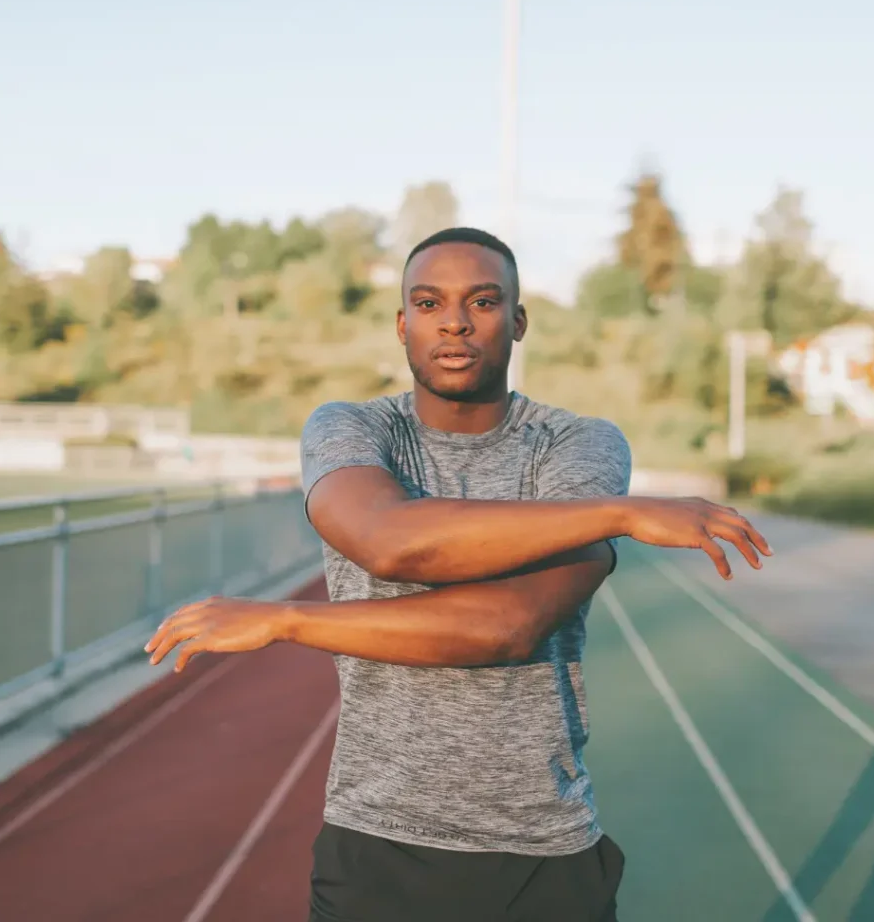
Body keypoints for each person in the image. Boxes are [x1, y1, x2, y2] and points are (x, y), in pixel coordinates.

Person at [146, 227, 772, 921]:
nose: (454, 321)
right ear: (401, 323)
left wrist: (287, 620)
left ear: (519, 320)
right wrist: (614, 515)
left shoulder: (578, 446)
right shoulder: (352, 430)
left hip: (542, 850)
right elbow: (388, 542)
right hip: (377, 844)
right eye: (428, 302)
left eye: (482, 301)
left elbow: (508, 625)